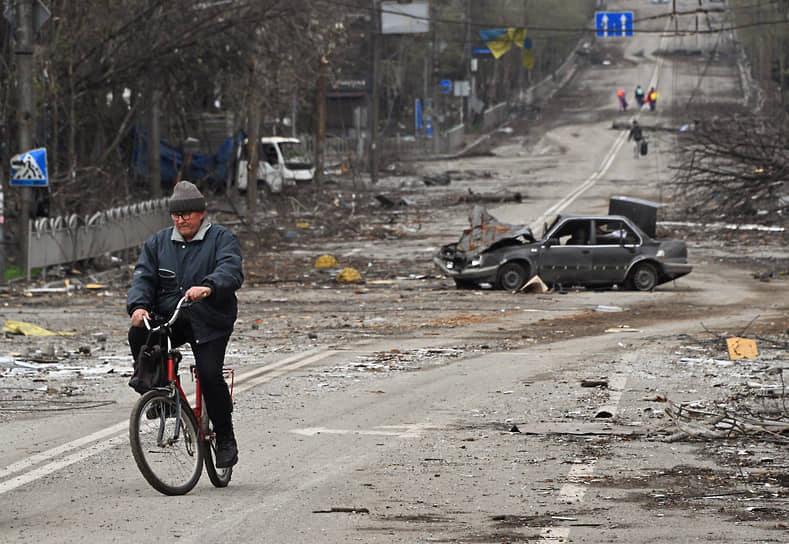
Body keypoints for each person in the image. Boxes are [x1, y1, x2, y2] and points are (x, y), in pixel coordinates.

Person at [127, 180, 244, 468]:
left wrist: (208, 288)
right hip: (173, 317)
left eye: (187, 215)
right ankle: (161, 396)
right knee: (139, 334)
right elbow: (143, 278)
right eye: (176, 216)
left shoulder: (221, 238)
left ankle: (226, 439)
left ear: (201, 213)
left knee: (208, 374)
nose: (181, 221)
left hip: (211, 320)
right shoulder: (158, 243)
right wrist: (139, 306)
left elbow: (230, 269)